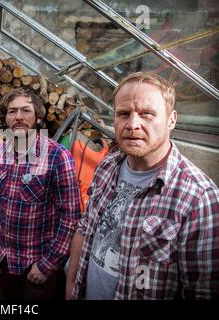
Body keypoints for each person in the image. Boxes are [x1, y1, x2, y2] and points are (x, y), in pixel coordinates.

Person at [65, 72, 219, 300]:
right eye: (123, 114)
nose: (133, 125)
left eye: (147, 114)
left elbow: (202, 291)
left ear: (171, 120)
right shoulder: (108, 167)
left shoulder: (198, 198)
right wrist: (70, 286)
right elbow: (86, 228)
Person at [0, 88, 81, 299]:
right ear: (5, 118)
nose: (18, 117)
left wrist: (48, 264)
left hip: (38, 264)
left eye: (25, 110)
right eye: (12, 111)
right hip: (5, 261)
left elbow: (71, 216)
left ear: (37, 117)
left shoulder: (56, 155)